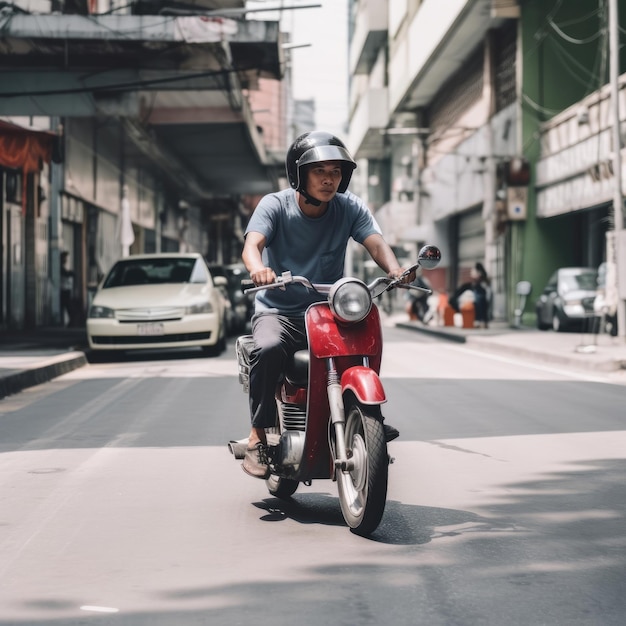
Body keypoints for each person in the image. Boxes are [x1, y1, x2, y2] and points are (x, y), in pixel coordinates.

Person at [240, 131, 415, 478]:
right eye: (319, 171)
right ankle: (257, 435)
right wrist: (258, 269)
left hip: (325, 313)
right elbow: (252, 245)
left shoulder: (349, 207)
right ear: (299, 174)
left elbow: (375, 242)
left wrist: (395, 269)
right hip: (280, 311)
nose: (328, 179)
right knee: (269, 347)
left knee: (363, 336)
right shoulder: (274, 205)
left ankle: (364, 413)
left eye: (335, 172)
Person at [450, 262, 491, 328]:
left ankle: (480, 321)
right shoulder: (475, 283)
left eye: (473, 270)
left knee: (479, 303)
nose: (471, 272)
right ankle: (481, 321)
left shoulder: (481, 284)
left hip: (481, 298)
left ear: (479, 272)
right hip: (480, 298)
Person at [60, 251, 74, 327]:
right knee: (67, 306)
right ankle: (68, 322)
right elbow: (66, 273)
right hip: (63, 289)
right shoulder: (61, 267)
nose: (66, 260)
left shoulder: (65, 266)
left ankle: (70, 322)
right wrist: (71, 273)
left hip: (67, 288)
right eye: (65, 258)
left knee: (68, 306)